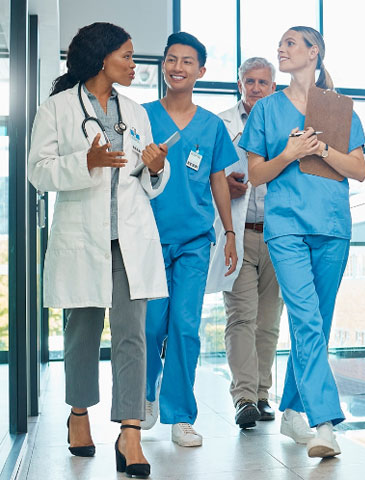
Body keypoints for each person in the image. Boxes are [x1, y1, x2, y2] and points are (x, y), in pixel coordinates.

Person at [27, 22, 171, 478]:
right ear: (101, 57)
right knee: (82, 336)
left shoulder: (137, 112)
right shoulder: (55, 109)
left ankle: (130, 432)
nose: (134, 64)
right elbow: (38, 172)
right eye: (127, 55)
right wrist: (84, 161)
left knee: (133, 336)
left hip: (129, 241)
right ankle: (78, 415)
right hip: (81, 239)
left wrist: (155, 167)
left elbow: (149, 184)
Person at [240, 26, 365, 458]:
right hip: (286, 226)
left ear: (314, 52)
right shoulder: (266, 110)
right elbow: (256, 175)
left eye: (291, 43)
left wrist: (323, 151)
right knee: (307, 321)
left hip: (332, 226)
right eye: (281, 44)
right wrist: (290, 155)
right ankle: (324, 423)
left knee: (318, 324)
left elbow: (359, 169)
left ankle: (292, 407)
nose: (282, 48)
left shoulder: (338, 107)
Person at [140, 32, 238, 447]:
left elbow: (218, 179)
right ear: (163, 65)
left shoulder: (212, 126)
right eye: (170, 59)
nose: (177, 67)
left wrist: (230, 232)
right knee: (148, 326)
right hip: (146, 238)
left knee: (184, 325)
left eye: (186, 61)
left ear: (201, 70)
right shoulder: (142, 115)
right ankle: (145, 398)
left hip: (196, 241)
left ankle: (180, 414)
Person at [206, 57, 284, 429]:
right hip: (237, 233)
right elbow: (206, 175)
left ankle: (263, 395)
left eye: (263, 82)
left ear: (273, 87)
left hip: (277, 235)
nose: (255, 88)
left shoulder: (287, 123)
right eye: (249, 81)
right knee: (241, 317)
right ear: (239, 84)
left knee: (268, 322)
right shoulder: (220, 124)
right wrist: (221, 183)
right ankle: (244, 399)